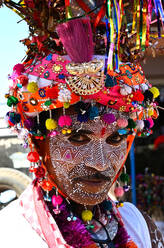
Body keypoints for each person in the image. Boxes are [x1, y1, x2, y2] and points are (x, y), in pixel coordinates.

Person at [0, 2, 164, 248]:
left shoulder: (138, 225)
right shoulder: (12, 233)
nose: (99, 162)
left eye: (115, 139)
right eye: (77, 138)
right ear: (38, 142)